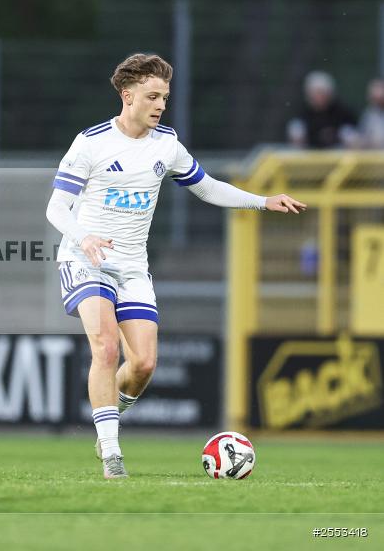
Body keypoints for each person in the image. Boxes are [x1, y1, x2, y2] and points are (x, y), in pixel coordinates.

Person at [46, 53, 306, 479]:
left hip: (131, 267)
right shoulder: (90, 143)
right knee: (107, 347)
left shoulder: (165, 144)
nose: (160, 104)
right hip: (85, 257)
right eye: (152, 96)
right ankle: (111, 453)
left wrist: (263, 201)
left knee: (144, 364)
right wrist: (83, 237)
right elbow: (57, 207)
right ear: (127, 96)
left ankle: (109, 417)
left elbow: (207, 188)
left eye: (164, 96)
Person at [286, 70, 358, 149]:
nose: (318, 97)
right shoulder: (303, 114)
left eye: (321, 92)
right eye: (315, 93)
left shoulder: (343, 113)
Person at [357, 78, 384, 149]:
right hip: (373, 155)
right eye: (375, 98)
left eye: (381, 98)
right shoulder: (368, 114)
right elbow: (363, 136)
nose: (378, 101)